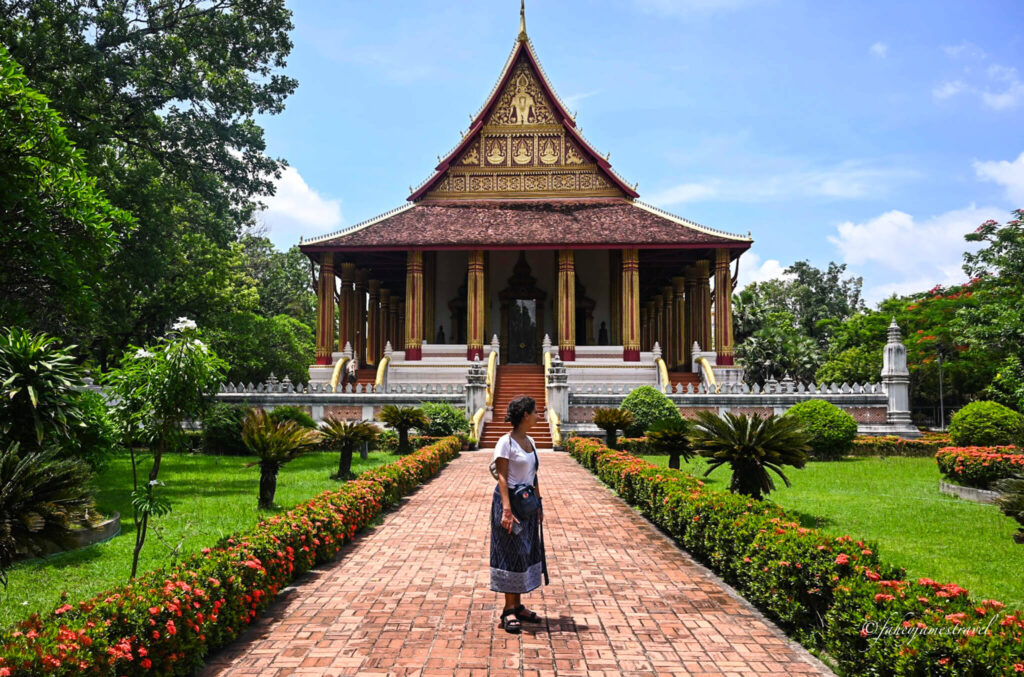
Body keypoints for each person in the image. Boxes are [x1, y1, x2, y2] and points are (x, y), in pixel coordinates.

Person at [490, 395, 545, 634]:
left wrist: (539, 504)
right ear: (525, 415)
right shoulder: (506, 442)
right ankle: (508, 610)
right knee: (509, 553)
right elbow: (502, 476)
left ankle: (519, 604)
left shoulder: (530, 441)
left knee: (525, 551)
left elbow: (533, 476)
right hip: (510, 502)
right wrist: (506, 510)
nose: (538, 415)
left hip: (528, 504)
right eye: (535, 412)